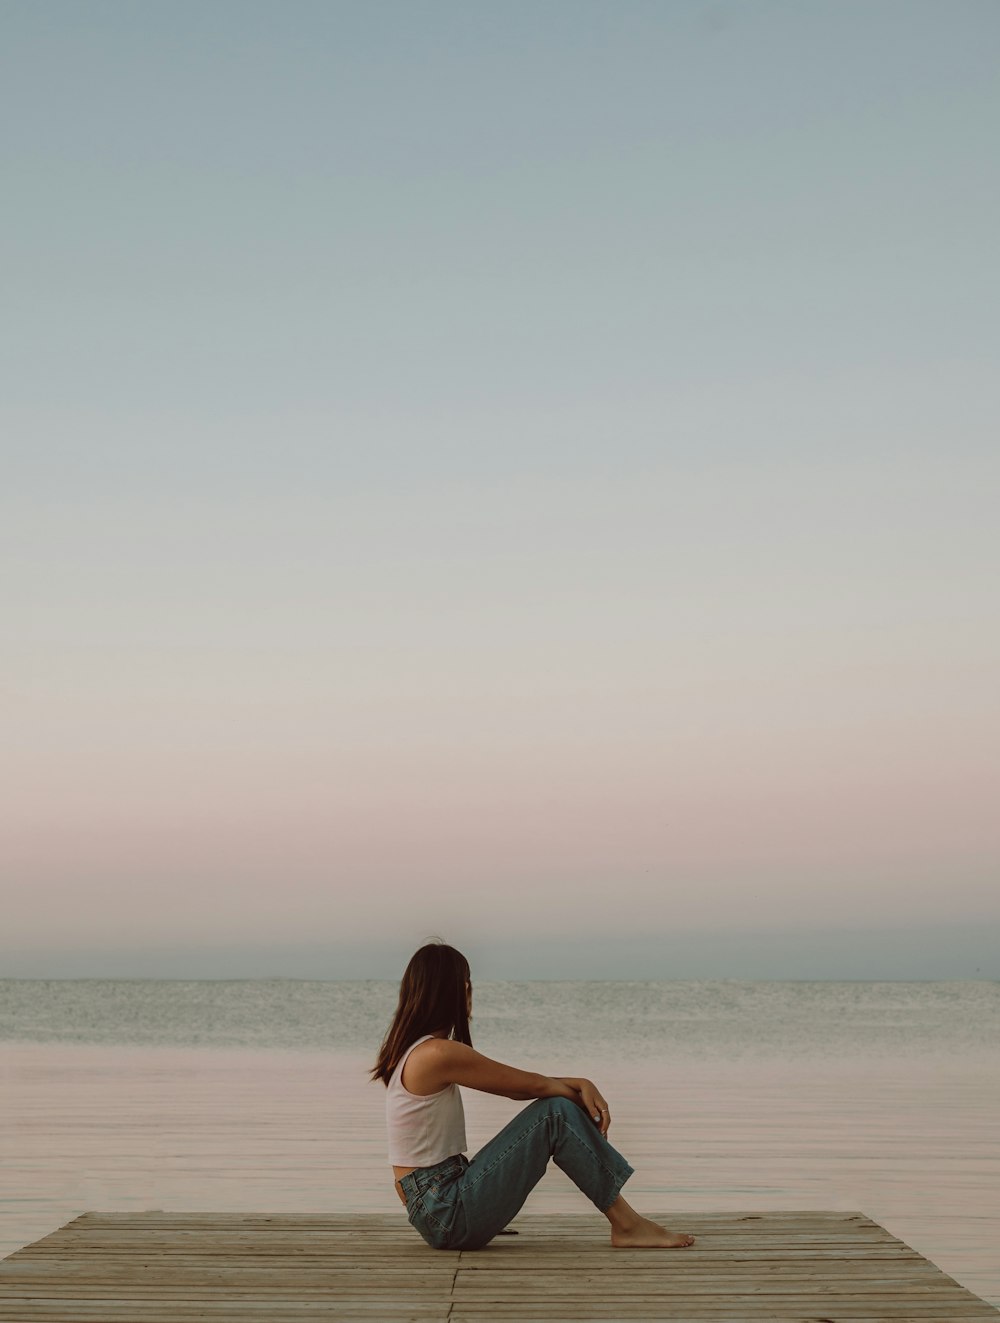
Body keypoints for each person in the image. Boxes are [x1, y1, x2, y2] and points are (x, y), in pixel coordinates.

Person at [372, 940, 695, 1252]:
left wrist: (575, 1085)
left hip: (442, 1202)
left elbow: (525, 1085)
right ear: (460, 990)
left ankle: (626, 1222)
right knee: (555, 1113)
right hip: (446, 1213)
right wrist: (579, 1086)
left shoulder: (415, 1051)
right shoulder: (437, 1053)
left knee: (555, 1108)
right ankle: (627, 1225)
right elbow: (527, 1088)